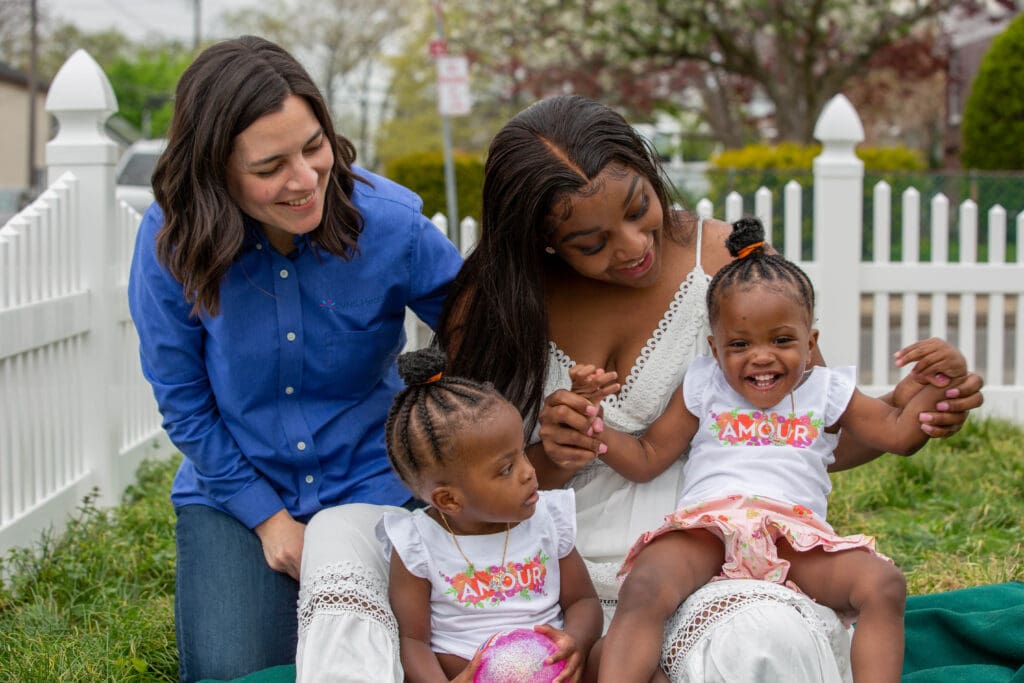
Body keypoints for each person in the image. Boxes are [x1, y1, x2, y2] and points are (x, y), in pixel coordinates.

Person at [298, 95, 983, 682]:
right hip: (527, 572)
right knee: (339, 532)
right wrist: (551, 454)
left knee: (762, 638)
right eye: (591, 242)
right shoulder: (498, 300)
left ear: (650, 171)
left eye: (638, 207)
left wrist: (919, 414)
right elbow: (464, 473)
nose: (631, 246)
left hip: (697, 559)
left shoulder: (731, 265)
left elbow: (802, 436)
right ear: (541, 241)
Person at [126, 36, 462, 682]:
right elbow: (184, 401)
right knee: (236, 669)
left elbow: (481, 328)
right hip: (239, 490)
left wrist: (448, 431)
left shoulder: (389, 223)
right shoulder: (170, 240)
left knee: (416, 654)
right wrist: (271, 520)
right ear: (216, 169)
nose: (306, 179)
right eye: (270, 165)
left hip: (377, 480)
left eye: (314, 146)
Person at [581, 216, 964, 682]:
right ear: (715, 348)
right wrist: (594, 425)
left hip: (795, 537)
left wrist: (942, 377)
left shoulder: (826, 389)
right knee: (645, 585)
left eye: (782, 340)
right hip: (708, 529)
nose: (761, 356)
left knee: (884, 583)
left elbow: (900, 433)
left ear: (810, 343)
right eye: (739, 344)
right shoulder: (703, 383)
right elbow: (646, 458)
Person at [378, 347, 602, 682]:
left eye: (523, 454)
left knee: (625, 656)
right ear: (449, 500)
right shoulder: (417, 543)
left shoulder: (547, 519)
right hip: (468, 670)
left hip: (551, 670)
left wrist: (576, 643)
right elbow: (413, 641)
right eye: (507, 468)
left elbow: (583, 600)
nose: (529, 472)